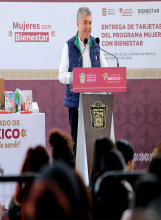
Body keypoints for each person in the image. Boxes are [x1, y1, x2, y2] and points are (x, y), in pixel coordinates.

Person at [59, 7, 108, 155]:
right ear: (77, 24)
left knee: (95, 145)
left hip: (95, 102)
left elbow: (105, 69)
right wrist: (76, 77)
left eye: (90, 23)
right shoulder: (68, 45)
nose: (88, 27)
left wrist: (105, 76)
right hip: (76, 103)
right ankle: (78, 176)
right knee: (77, 145)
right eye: (85, 22)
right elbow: (61, 75)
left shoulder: (96, 44)